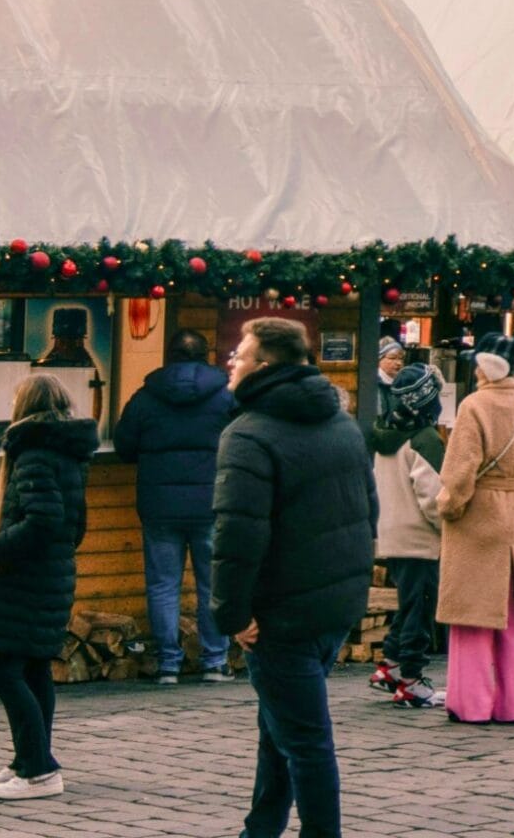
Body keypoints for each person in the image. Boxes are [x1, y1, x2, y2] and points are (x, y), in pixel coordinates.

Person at [211, 317, 379, 834]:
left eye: (239, 354)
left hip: (280, 616)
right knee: (279, 728)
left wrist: (234, 615)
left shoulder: (249, 435)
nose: (230, 362)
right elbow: (368, 512)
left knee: (304, 740)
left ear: (264, 366)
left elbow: (238, 538)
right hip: (333, 607)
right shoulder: (341, 424)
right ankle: (260, 828)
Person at [0, 373, 95, 801]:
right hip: (52, 572)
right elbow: (72, 524)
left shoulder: (34, 454)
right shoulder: (69, 453)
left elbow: (42, 520)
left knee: (6, 671)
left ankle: (40, 770)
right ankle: (29, 759)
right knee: (34, 667)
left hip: (28, 577)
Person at [436, 330, 514, 724]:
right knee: (512, 618)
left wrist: (449, 508)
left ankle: (470, 705)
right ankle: (513, 706)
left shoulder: (473, 406)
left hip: (477, 514)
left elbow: (459, 474)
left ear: (483, 366)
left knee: (472, 616)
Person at [112, 326, 236, 686]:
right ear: (205, 355)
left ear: (169, 357)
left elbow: (124, 447)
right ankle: (214, 662)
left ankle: (169, 665)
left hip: (160, 506)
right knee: (212, 585)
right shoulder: (226, 396)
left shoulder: (146, 397)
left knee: (163, 584)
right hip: (212, 503)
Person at [369, 358, 448, 707]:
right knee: (420, 608)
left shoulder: (385, 433)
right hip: (420, 538)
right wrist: (448, 529)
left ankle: (390, 665)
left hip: (393, 532)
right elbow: (433, 498)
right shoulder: (425, 439)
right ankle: (412, 679)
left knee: (407, 603)